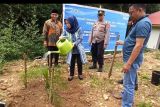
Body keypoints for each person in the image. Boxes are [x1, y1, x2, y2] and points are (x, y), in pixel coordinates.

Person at [116, 4, 152, 107]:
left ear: (139, 10)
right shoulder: (139, 22)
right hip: (130, 58)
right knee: (128, 80)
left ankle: (127, 104)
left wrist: (128, 63)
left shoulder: (143, 24)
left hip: (132, 59)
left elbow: (139, 45)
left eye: (132, 12)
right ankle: (126, 96)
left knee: (128, 84)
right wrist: (123, 42)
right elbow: (133, 41)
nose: (130, 15)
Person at [59, 16, 87, 81]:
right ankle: (71, 75)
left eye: (68, 23)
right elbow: (62, 36)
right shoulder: (66, 30)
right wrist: (61, 37)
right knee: (72, 62)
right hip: (70, 49)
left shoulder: (79, 29)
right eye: (66, 23)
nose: (67, 25)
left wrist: (74, 43)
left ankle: (80, 74)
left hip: (78, 49)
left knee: (79, 62)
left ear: (72, 22)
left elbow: (80, 38)